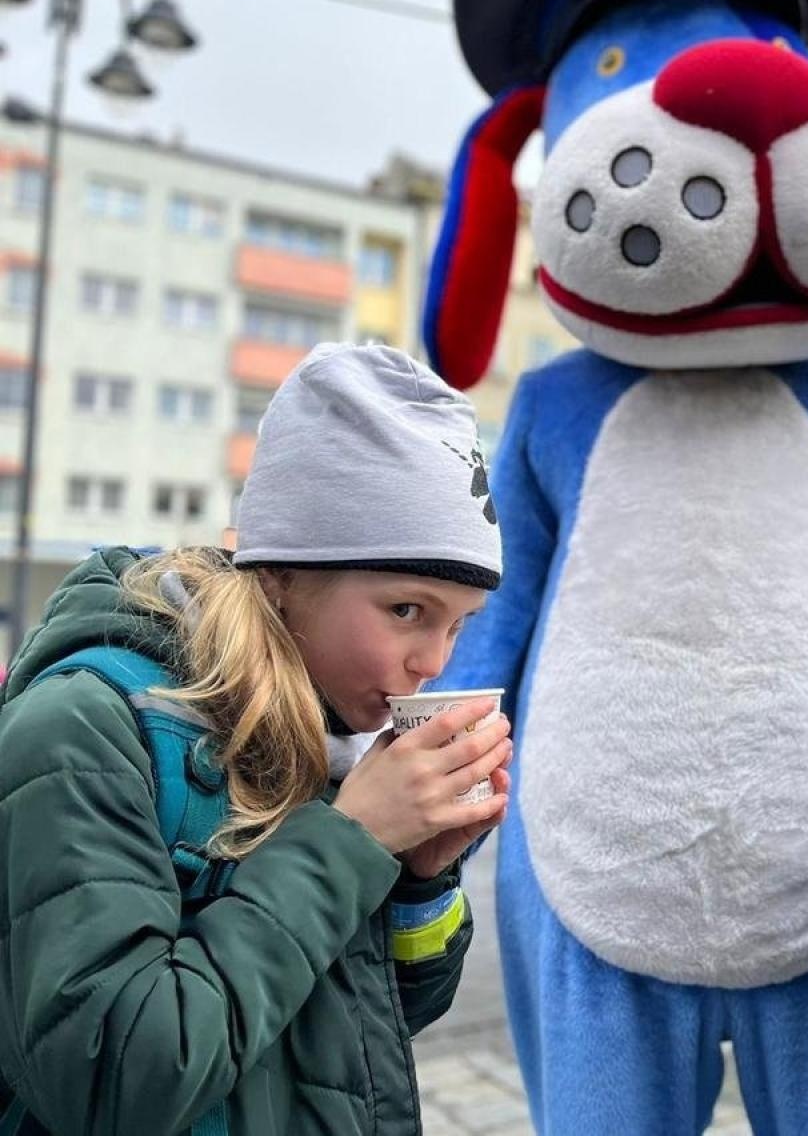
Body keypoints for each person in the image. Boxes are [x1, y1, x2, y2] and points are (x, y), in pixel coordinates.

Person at [0, 342, 512, 1134]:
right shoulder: (87, 730)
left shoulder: (330, 732)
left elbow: (362, 1031)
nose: (434, 662)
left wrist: (419, 879)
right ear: (280, 574)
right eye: (407, 610)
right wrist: (352, 842)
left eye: (459, 623)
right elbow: (115, 1080)